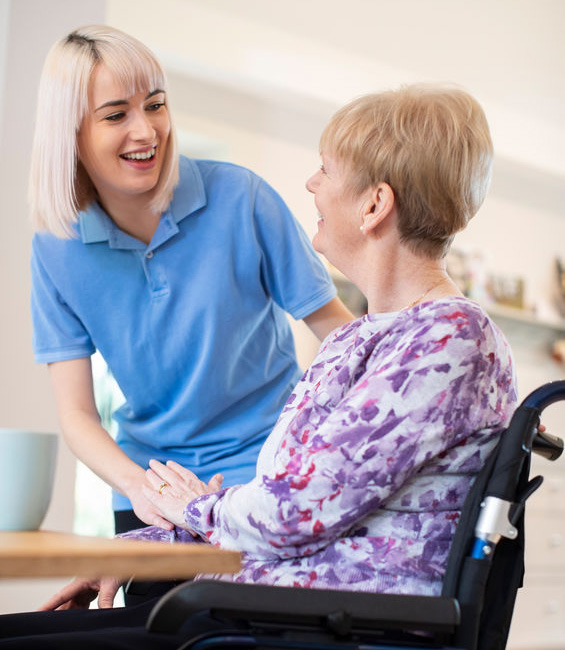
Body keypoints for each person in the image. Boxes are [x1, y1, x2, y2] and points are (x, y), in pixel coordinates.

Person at [0, 84, 517, 649]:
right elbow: (290, 497)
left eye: (325, 170)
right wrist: (144, 548)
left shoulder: (448, 339)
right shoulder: (363, 340)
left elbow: (297, 509)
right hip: (259, 607)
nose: (311, 185)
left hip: (310, 624)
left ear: (374, 205)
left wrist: (190, 506)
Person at [28, 24, 352, 543]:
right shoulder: (56, 249)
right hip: (149, 488)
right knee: (145, 625)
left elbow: (339, 332)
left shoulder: (240, 197)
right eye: (116, 115)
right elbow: (78, 415)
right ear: (70, 133)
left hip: (266, 472)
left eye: (155, 105)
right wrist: (139, 487)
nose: (146, 131)